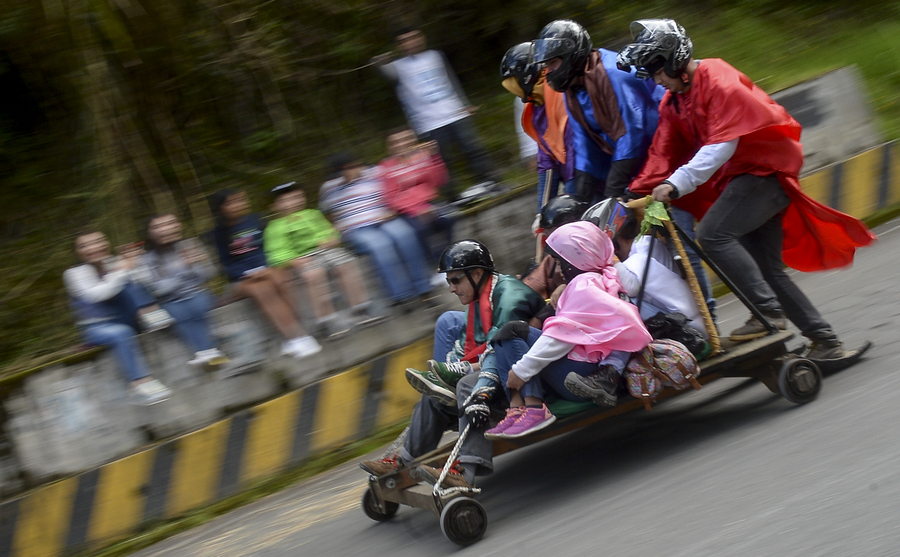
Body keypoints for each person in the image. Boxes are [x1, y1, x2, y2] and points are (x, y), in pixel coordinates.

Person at [618, 19, 876, 359]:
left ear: (674, 59)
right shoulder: (674, 101)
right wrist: (636, 192)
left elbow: (721, 145)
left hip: (765, 173)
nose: (655, 79)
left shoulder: (718, 78)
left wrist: (674, 183)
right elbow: (662, 152)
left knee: (713, 235)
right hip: (742, 179)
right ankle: (826, 342)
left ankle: (768, 313)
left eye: (655, 69)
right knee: (768, 269)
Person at [360, 240, 546, 487]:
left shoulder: (509, 296)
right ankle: (401, 465)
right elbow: (463, 347)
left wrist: (465, 375)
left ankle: (464, 475)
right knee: (432, 395)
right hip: (499, 371)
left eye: (455, 280)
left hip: (524, 380)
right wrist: (445, 374)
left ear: (478, 273)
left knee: (467, 385)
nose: (450, 288)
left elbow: (497, 351)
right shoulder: (479, 298)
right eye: (448, 281)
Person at [476, 221, 651, 438]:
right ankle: (518, 408)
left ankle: (532, 408)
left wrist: (521, 371)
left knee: (511, 332)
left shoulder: (584, 284)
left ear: (575, 259)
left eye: (560, 263)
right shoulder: (600, 279)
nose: (558, 270)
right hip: (581, 367)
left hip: (581, 375)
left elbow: (562, 337)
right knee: (508, 332)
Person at [533, 20, 664, 203]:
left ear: (571, 55)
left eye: (553, 63)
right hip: (637, 158)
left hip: (665, 151)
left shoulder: (614, 72)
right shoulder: (572, 90)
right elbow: (584, 143)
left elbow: (635, 131)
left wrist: (613, 188)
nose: (549, 72)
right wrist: (580, 198)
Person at [371, 26, 498, 198]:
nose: (410, 43)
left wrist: (465, 103)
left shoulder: (435, 55)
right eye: (405, 41)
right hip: (428, 121)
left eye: (414, 37)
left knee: (473, 149)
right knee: (441, 160)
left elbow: (451, 79)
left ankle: (490, 182)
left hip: (455, 111)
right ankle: (453, 196)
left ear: (421, 38)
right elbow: (383, 70)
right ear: (399, 45)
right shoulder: (397, 67)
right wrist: (380, 62)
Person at [210, 189, 322, 359]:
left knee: (282, 279)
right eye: (230, 203)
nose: (238, 205)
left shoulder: (256, 220)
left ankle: (294, 337)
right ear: (221, 208)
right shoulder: (218, 233)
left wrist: (267, 268)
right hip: (241, 278)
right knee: (262, 290)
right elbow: (225, 263)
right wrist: (247, 274)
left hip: (266, 268)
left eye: (240, 200)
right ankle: (295, 337)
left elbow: (270, 247)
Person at [63, 230, 172, 405]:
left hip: (128, 316)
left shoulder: (116, 262)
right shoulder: (74, 273)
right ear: (78, 252)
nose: (93, 248)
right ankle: (139, 383)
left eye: (97, 242)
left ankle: (150, 314)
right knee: (121, 332)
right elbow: (98, 294)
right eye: (85, 245)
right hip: (98, 327)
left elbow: (147, 282)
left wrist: (137, 264)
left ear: (105, 244)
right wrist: (121, 271)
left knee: (130, 282)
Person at [263, 182, 381, 338]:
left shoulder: (313, 214)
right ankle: (327, 320)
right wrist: (292, 260)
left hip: (324, 250)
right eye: (286, 200)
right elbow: (276, 252)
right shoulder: (274, 227)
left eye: (297, 197)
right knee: (314, 274)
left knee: (346, 263)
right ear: (275, 206)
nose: (293, 203)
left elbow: (329, 231)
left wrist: (332, 239)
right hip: (301, 258)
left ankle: (360, 309)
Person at [319, 154, 436, 306]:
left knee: (405, 235)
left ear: (355, 165)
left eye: (345, 172)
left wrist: (392, 210)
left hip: (384, 219)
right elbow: (327, 213)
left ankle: (423, 287)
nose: (342, 177)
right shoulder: (329, 187)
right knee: (381, 245)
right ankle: (401, 296)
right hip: (356, 228)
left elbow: (395, 193)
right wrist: (336, 228)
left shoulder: (376, 173)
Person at [136, 214, 230, 368]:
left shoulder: (190, 245)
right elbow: (159, 289)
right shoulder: (146, 259)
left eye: (168, 224)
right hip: (169, 301)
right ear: (149, 233)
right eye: (157, 227)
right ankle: (211, 353)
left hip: (197, 293)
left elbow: (208, 274)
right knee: (178, 312)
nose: (164, 230)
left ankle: (205, 353)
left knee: (197, 305)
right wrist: (183, 268)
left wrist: (197, 264)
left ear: (177, 226)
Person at [500, 42, 575, 211]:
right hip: (572, 172)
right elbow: (546, 156)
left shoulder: (559, 92)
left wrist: (573, 194)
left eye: (514, 83)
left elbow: (572, 146)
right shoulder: (535, 103)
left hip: (588, 171)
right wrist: (543, 214)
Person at [377, 129, 454, 267]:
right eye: (396, 142)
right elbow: (392, 196)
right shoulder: (386, 167)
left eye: (406, 139)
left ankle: (449, 257)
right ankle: (437, 265)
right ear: (390, 147)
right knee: (419, 229)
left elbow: (439, 181)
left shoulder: (423, 156)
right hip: (407, 210)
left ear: (413, 140)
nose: (402, 144)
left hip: (429, 202)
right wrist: (416, 209)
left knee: (449, 217)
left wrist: (434, 157)